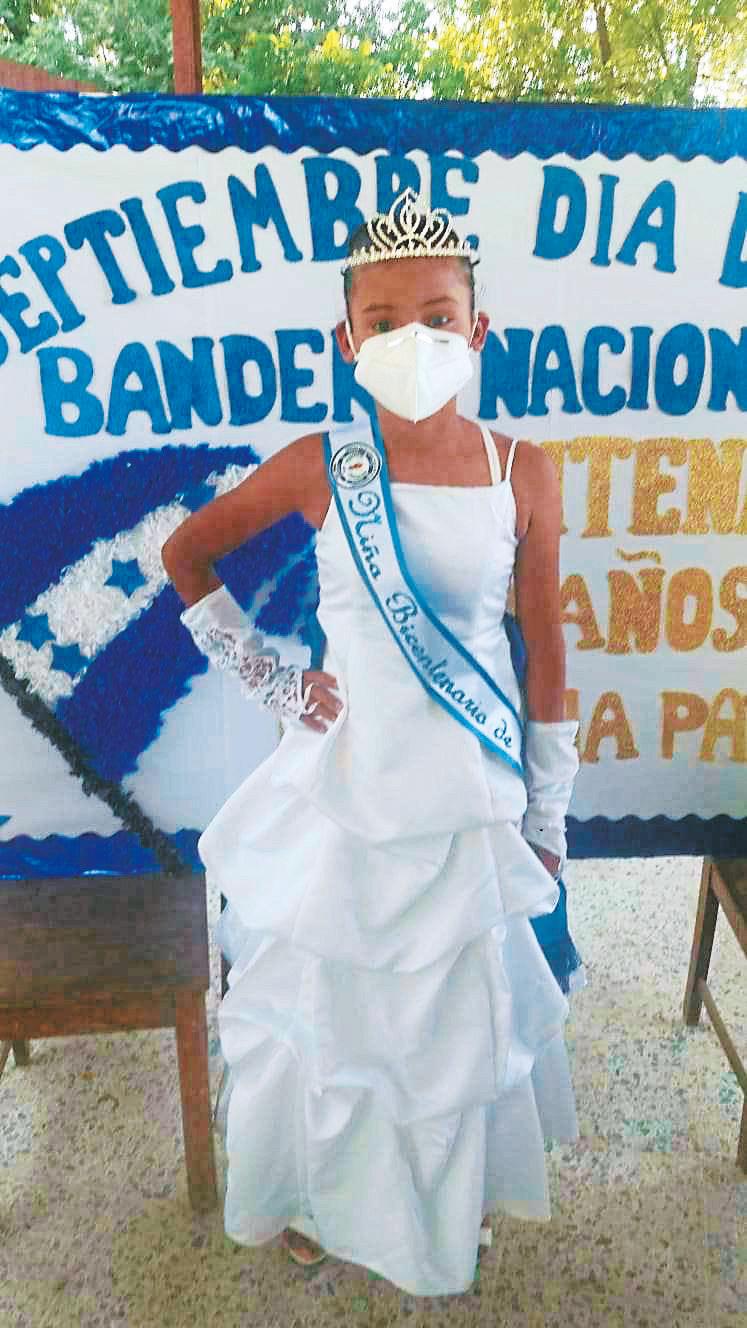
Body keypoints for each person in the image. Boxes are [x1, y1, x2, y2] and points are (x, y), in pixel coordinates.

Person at [161, 189, 582, 1297]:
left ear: (479, 330)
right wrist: (270, 676)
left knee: (451, 1018)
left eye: (438, 315)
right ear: (347, 341)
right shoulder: (317, 462)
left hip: (467, 797)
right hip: (344, 791)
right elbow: (186, 553)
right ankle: (316, 1190)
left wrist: (548, 820)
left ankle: (444, 1204)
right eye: (385, 320)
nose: (414, 340)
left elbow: (547, 657)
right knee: (330, 1012)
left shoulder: (519, 470)